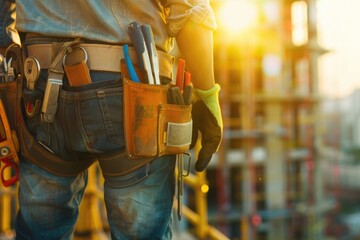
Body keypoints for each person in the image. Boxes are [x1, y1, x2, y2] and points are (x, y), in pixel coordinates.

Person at [13, 0, 223, 239]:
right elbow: (190, 13)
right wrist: (208, 95)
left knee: (40, 230)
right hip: (134, 92)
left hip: (40, 84)